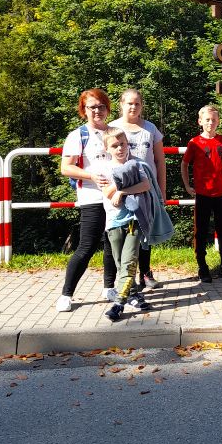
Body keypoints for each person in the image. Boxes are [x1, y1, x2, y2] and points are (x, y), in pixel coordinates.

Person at [56, 89, 116, 312]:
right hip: (91, 196)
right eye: (92, 107)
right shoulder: (78, 135)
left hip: (115, 196)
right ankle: (66, 294)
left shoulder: (115, 132)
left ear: (107, 108)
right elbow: (66, 167)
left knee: (112, 243)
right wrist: (91, 175)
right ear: (84, 110)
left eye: (101, 106)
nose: (97, 111)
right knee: (87, 246)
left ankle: (109, 287)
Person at [109, 89, 166, 291]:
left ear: (142, 106)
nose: (133, 107)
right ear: (121, 104)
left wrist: (162, 190)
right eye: (129, 103)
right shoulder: (113, 127)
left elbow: (160, 161)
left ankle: (145, 272)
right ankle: (120, 280)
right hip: (119, 191)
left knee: (144, 231)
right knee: (118, 235)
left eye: (137, 104)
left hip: (145, 188)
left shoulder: (150, 129)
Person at [100, 128, 153, 322]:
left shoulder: (136, 164)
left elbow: (145, 185)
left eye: (123, 144)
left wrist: (121, 192)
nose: (120, 148)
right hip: (113, 221)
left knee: (129, 261)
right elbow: (106, 192)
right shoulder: (103, 168)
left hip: (133, 219)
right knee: (121, 264)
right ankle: (133, 294)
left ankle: (119, 304)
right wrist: (122, 179)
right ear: (107, 148)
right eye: (114, 145)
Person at [182, 105, 222, 284]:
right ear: (200, 121)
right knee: (201, 231)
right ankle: (202, 266)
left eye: (214, 120)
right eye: (207, 120)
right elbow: (184, 164)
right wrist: (187, 185)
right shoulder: (194, 142)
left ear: (218, 121)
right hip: (203, 193)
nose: (210, 123)